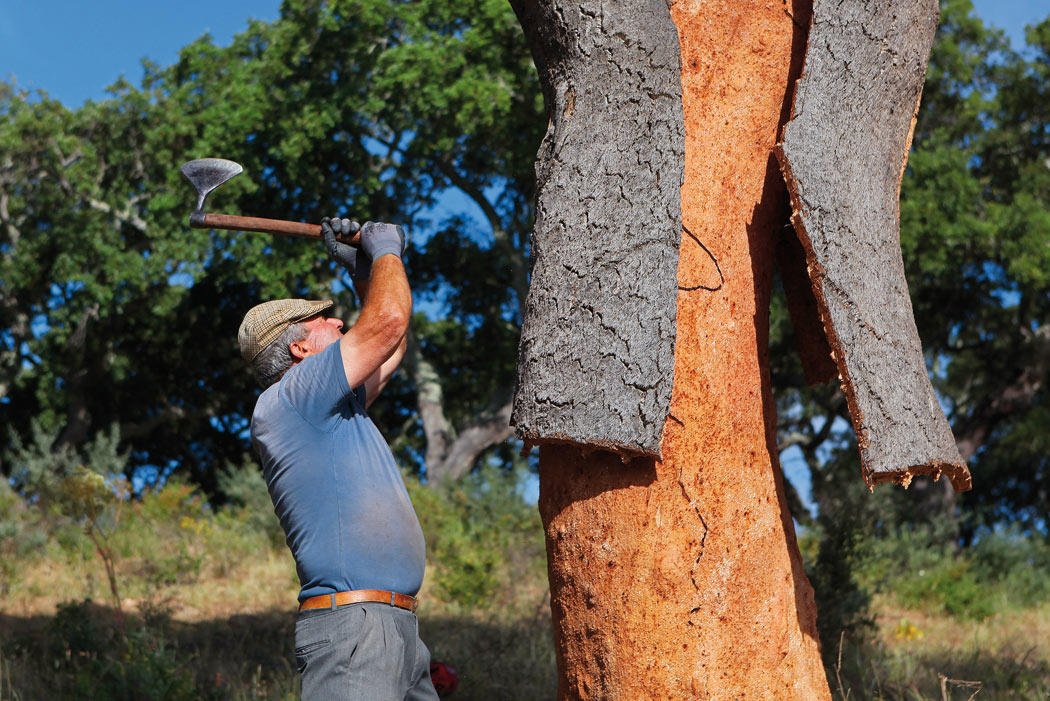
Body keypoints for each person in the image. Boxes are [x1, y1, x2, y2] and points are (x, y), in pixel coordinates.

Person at [237, 217, 438, 701]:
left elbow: (390, 343)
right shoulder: (293, 397)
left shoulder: (327, 404)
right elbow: (385, 322)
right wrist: (387, 250)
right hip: (355, 629)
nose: (338, 321)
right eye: (321, 320)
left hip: (392, 627)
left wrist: (365, 272)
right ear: (299, 347)